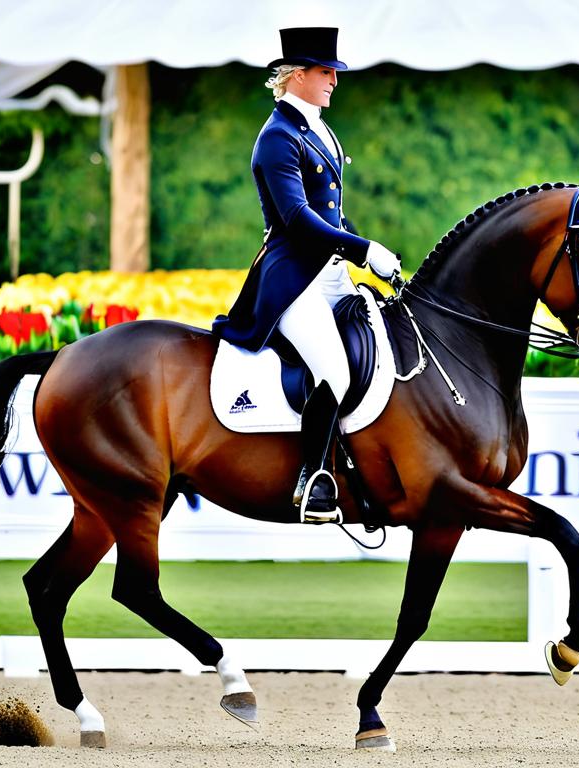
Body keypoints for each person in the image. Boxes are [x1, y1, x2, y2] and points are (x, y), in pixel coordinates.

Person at [212, 27, 401, 523]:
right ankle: (311, 481)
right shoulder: (276, 138)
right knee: (334, 371)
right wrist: (365, 249)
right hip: (294, 280)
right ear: (297, 76)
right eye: (326, 72)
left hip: (332, 273)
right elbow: (298, 220)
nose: (335, 81)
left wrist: (373, 260)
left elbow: (332, 216)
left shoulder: (320, 130)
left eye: (334, 72)